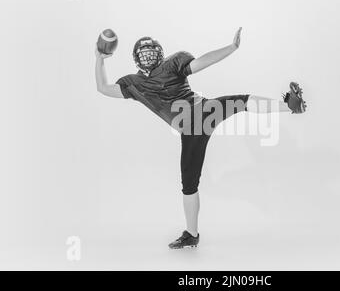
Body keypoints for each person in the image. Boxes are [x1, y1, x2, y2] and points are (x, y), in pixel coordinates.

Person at [94, 27, 306, 249]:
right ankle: (191, 234)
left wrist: (231, 47)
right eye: (144, 53)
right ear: (137, 59)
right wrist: (100, 59)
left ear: (160, 53)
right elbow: (102, 88)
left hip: (203, 112)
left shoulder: (173, 63)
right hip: (192, 130)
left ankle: (290, 106)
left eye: (151, 52)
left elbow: (204, 61)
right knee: (189, 184)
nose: (148, 56)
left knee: (240, 100)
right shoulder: (134, 84)